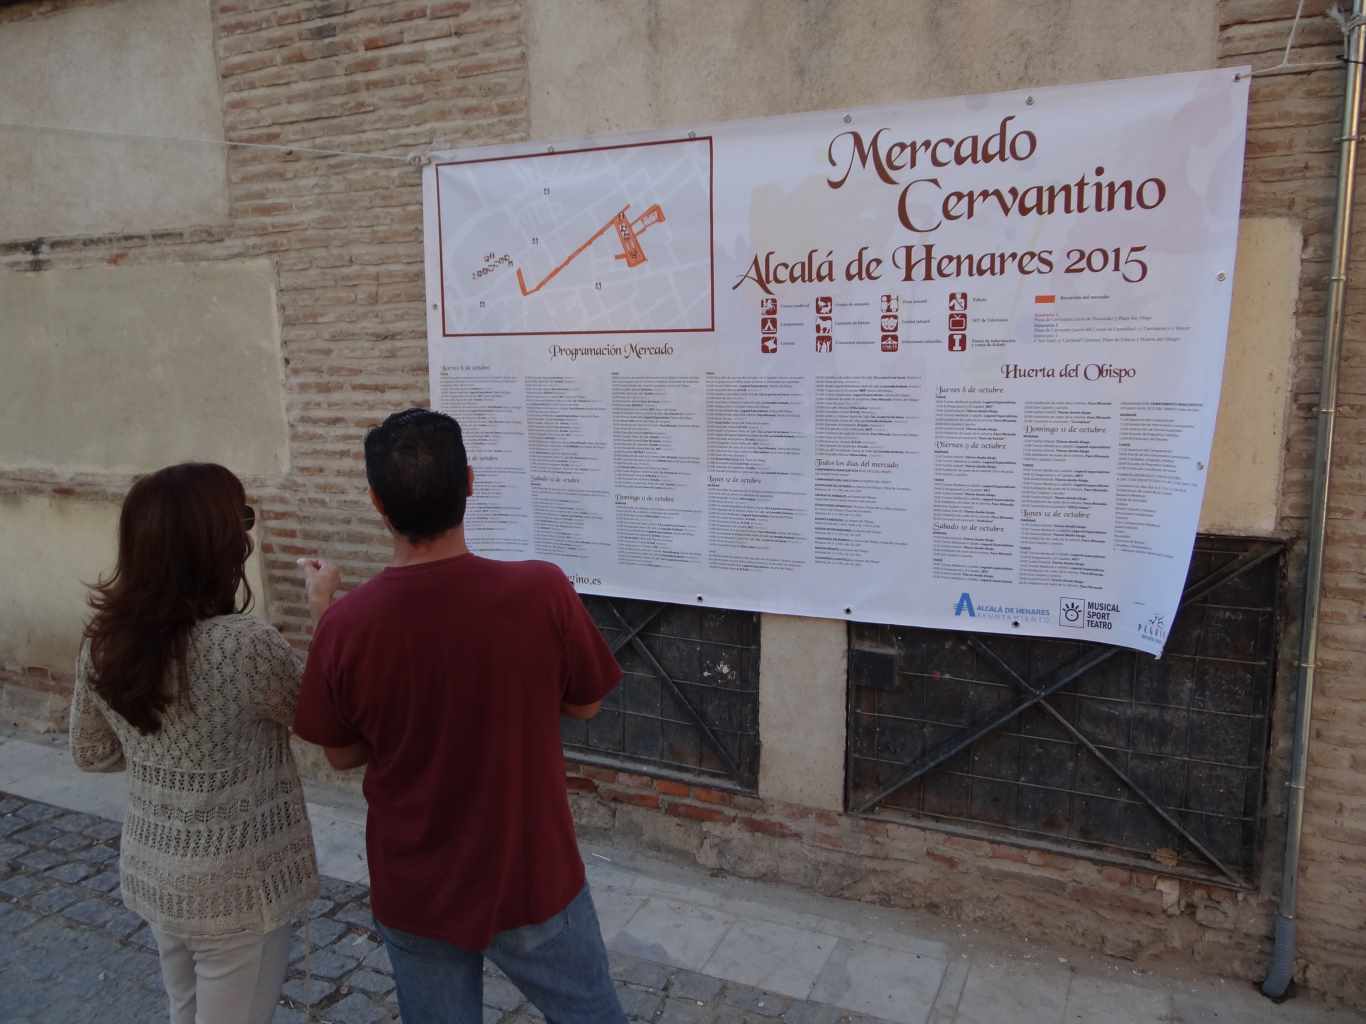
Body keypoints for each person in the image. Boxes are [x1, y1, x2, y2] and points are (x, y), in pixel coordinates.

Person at [293, 408, 626, 1024]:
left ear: (376, 503)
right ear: (470, 482)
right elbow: (586, 702)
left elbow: (342, 752)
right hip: (532, 873)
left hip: (418, 888)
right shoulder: (541, 591)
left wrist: (323, 615)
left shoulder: (347, 624)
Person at [69, 462, 319, 1024]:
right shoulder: (242, 645)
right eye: (242, 520)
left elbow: (91, 752)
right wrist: (327, 618)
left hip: (159, 874)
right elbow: (323, 721)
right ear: (215, 543)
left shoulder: (105, 644)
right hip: (239, 888)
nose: (247, 535)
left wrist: (161, 754)